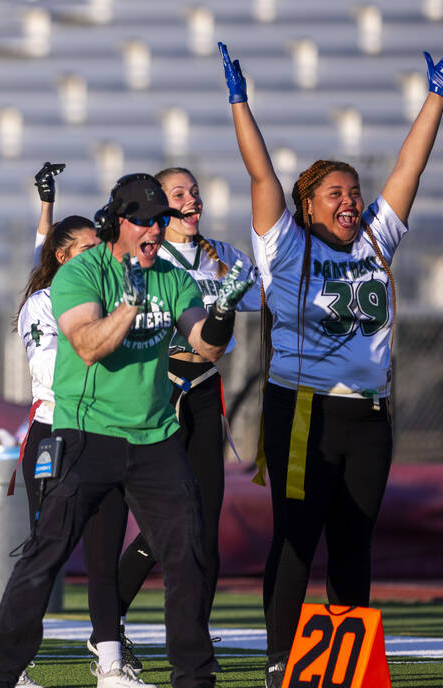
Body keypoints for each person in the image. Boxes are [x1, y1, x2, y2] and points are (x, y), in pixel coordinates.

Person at [219, 40, 443, 687]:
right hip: (302, 409)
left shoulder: (374, 243)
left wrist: (437, 94)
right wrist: (240, 105)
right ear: (308, 203)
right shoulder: (285, 243)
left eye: (355, 192)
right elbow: (261, 178)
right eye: (336, 192)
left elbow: (408, 173)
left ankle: (347, 666)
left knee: (355, 544)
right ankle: (281, 663)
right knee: (297, 537)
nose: (350, 200)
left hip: (367, 417)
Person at [0, 173, 255, 688]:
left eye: (161, 221)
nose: (156, 231)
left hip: (153, 437)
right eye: (146, 221)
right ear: (118, 223)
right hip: (86, 434)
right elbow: (87, 344)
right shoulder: (81, 273)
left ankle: (193, 677)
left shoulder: (172, 278)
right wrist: (128, 303)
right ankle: (1, 674)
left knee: (190, 552)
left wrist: (223, 309)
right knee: (46, 553)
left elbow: (208, 345)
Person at [114, 167, 261, 667]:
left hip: (203, 391)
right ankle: (107, 624)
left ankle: (196, 637)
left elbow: (273, 297)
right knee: (164, 525)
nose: (191, 200)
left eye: (195, 192)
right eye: (179, 194)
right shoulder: (152, 258)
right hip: (158, 390)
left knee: (204, 522)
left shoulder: (225, 256)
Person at [15, 164, 144, 687]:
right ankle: (14, 666)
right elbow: (53, 366)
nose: (99, 253)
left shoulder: (106, 296)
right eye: (87, 247)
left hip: (105, 435)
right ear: (65, 257)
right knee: (45, 557)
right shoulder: (44, 303)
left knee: (104, 554)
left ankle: (110, 667)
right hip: (56, 435)